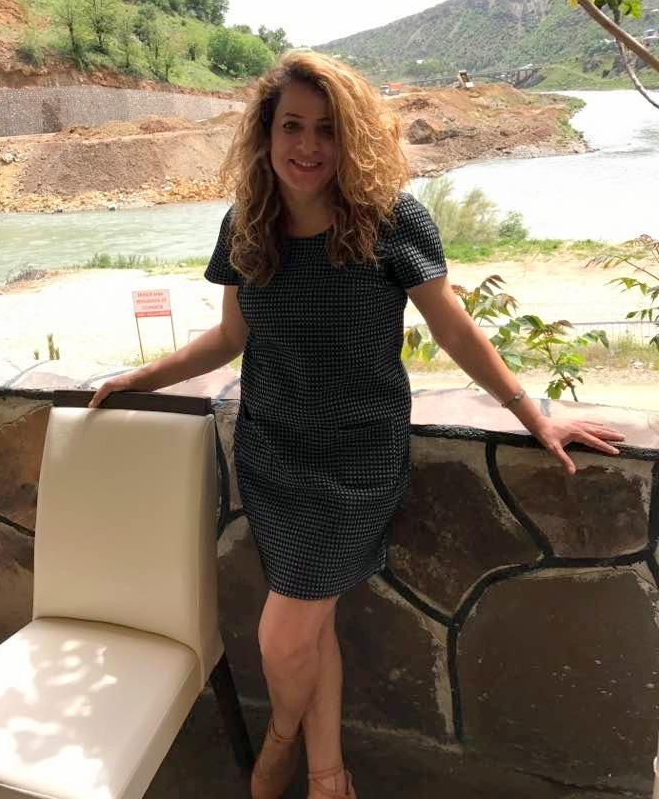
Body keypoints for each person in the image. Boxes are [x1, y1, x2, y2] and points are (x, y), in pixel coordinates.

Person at [89, 50, 625, 799]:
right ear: (266, 134)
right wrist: (138, 378)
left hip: (355, 463)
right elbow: (231, 338)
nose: (308, 146)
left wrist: (532, 411)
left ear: (353, 138)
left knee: (284, 632)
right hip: (272, 453)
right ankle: (328, 774)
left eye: (328, 129)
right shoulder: (245, 225)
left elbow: (454, 329)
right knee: (311, 621)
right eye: (292, 126)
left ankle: (280, 739)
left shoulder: (389, 220)